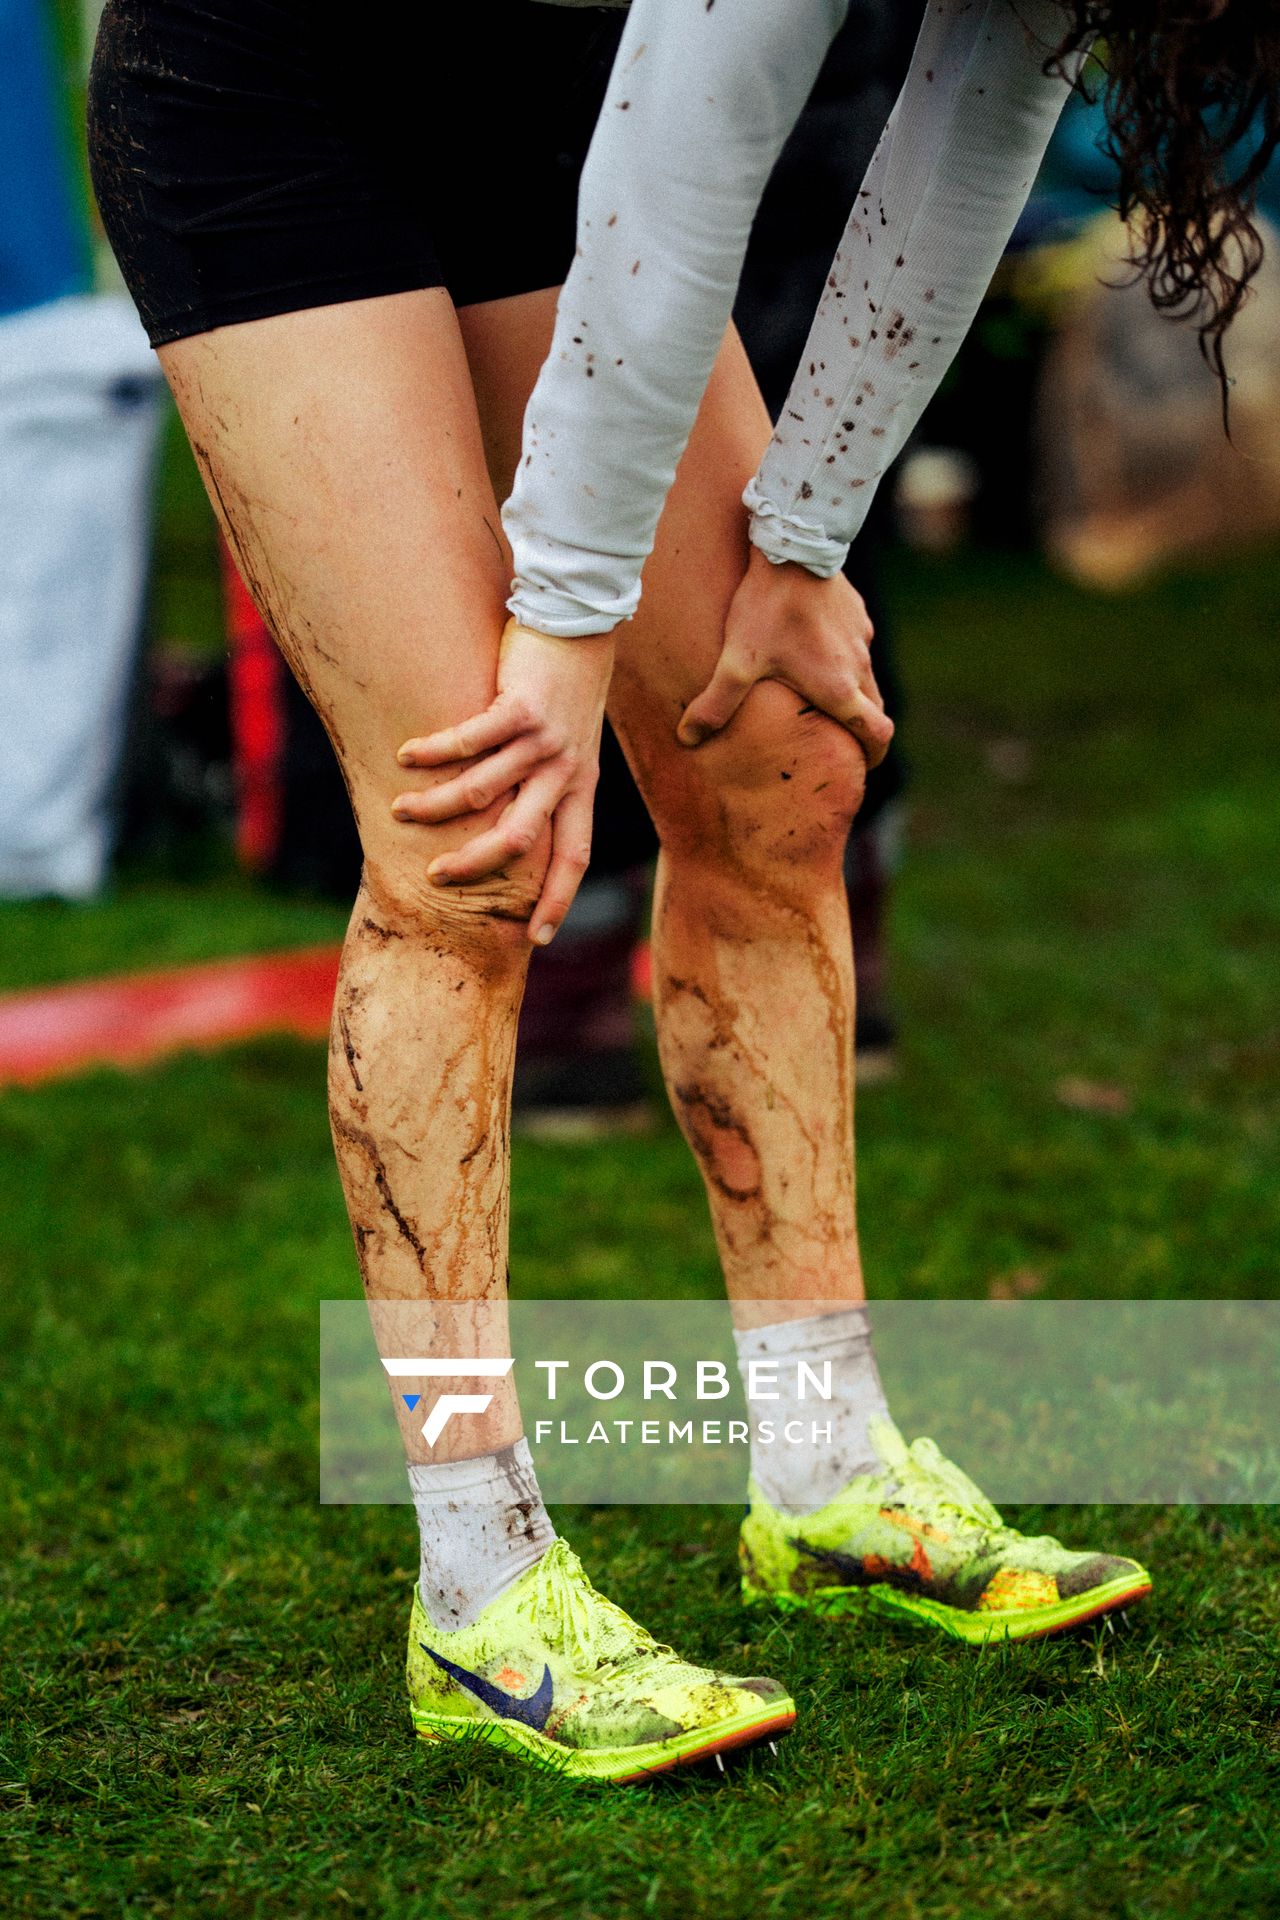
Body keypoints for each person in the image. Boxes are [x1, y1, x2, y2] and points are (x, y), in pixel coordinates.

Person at [85, 0, 1273, 1782]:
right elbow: (679, 174)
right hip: (268, 84)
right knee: (466, 833)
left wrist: (801, 547)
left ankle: (827, 1471)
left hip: (551, 93)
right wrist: (555, 641)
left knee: (780, 753)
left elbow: (950, 169)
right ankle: (480, 1585)